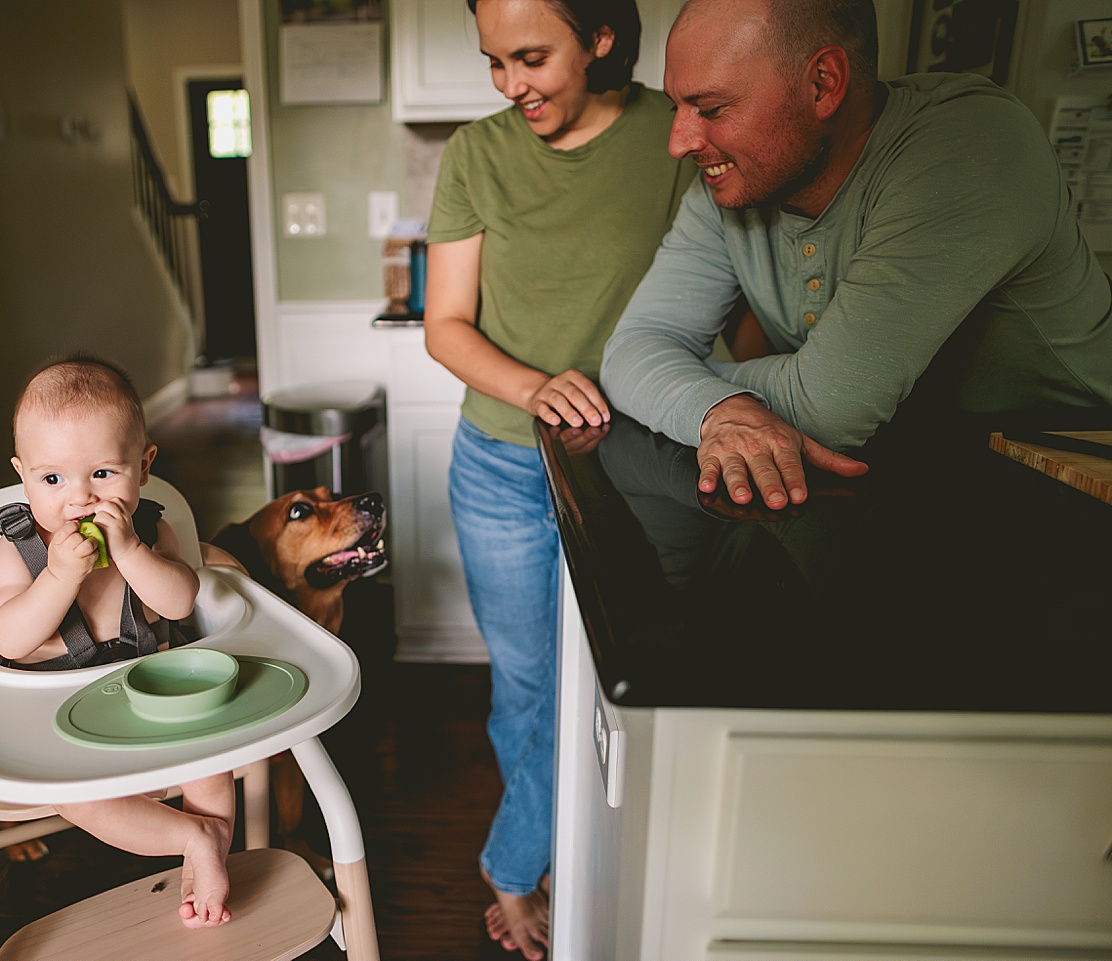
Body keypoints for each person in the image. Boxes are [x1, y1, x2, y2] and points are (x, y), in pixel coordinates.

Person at [422, 1, 696, 957]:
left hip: (622, 469)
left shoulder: (676, 136)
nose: (509, 85)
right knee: (529, 685)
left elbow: (720, 303)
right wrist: (537, 386)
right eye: (495, 62)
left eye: (531, 58)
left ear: (603, 38)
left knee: (606, 684)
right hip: (495, 462)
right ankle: (536, 859)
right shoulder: (476, 155)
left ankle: (517, 861)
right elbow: (445, 324)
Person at [601, 0, 1112, 510]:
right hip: (896, 483)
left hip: (1062, 483)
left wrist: (685, 376)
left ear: (823, 83)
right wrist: (720, 407)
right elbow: (631, 350)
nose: (679, 142)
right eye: (677, 108)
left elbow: (827, 411)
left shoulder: (971, 142)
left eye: (711, 109)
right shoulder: (731, 181)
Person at [0, 356, 234, 929]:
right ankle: (196, 839)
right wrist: (57, 576)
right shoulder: (16, 550)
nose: (80, 498)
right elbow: (10, 638)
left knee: (214, 767)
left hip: (152, 695)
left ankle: (206, 864)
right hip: (57, 717)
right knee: (79, 799)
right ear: (22, 475)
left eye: (102, 474)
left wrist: (130, 553)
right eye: (52, 479)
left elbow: (178, 603)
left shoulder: (151, 531)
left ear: (143, 466)